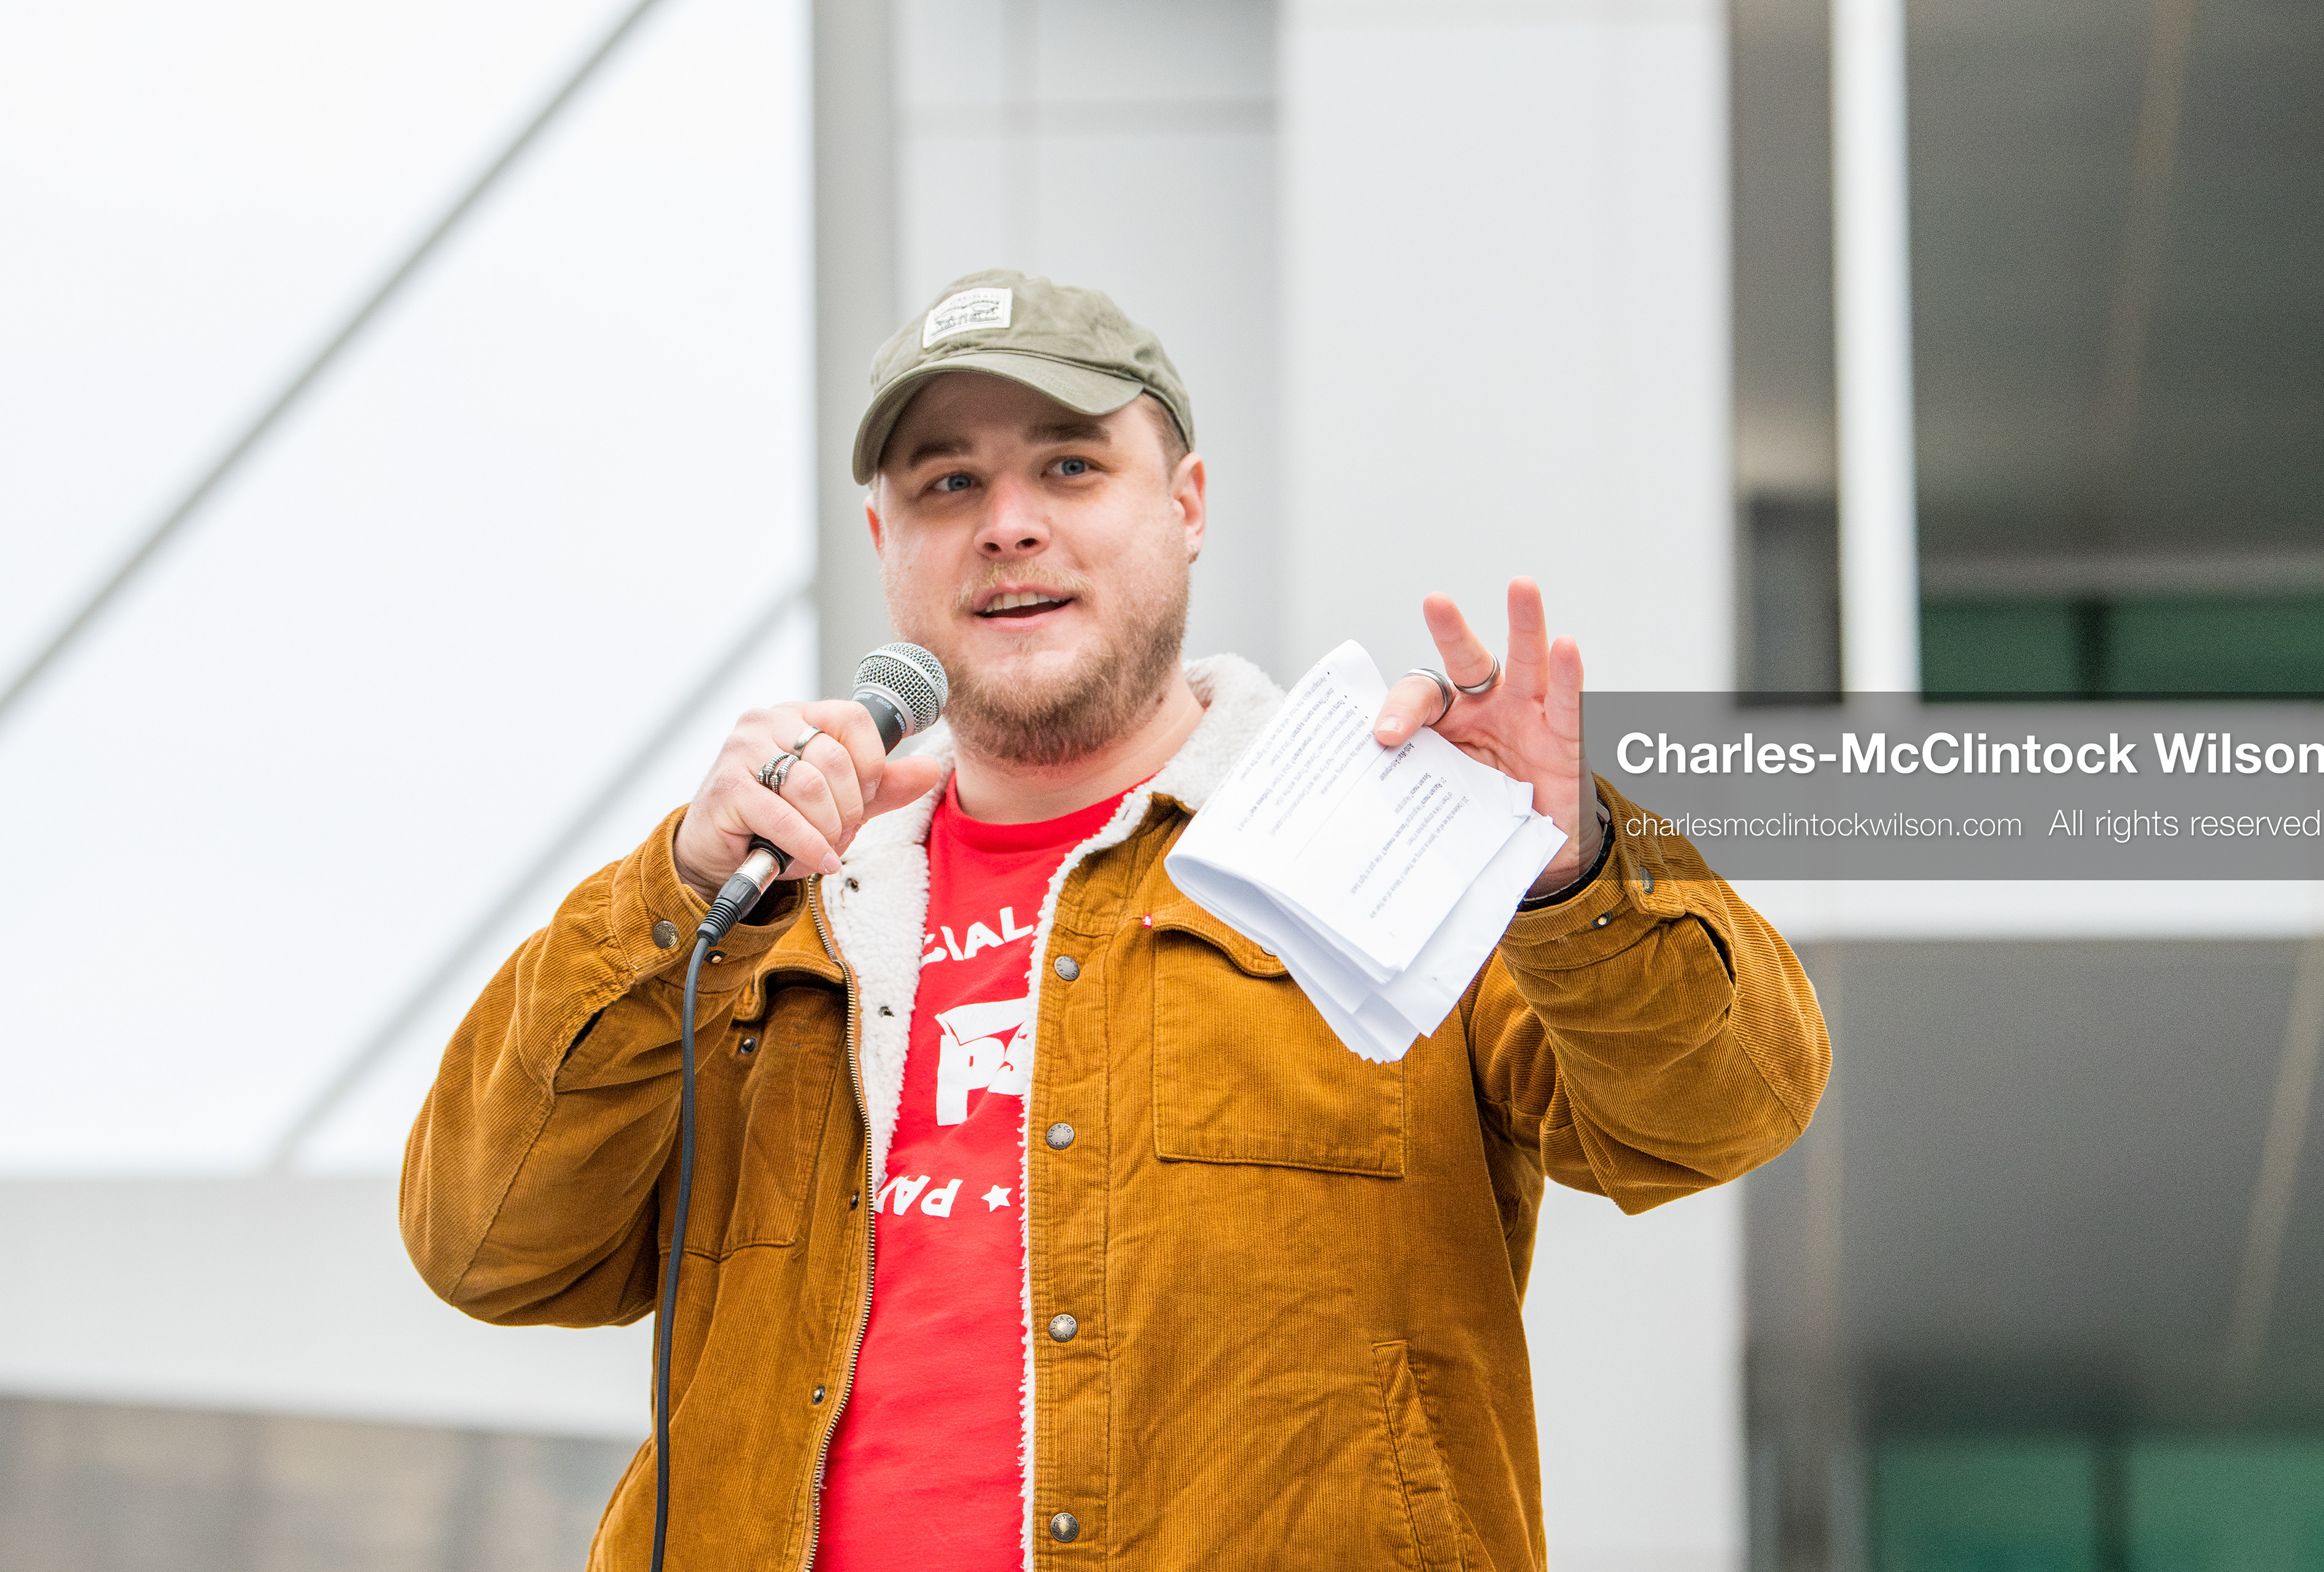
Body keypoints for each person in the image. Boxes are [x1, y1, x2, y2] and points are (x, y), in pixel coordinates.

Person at [400, 270, 1830, 1571]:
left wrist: (1562, 860)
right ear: (886, 541)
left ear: (1190, 503)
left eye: (1071, 466)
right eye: (949, 482)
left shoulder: (1381, 824)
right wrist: (672, 889)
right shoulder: (771, 905)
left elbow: (1717, 1109)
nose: (1009, 521)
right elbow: (489, 1246)